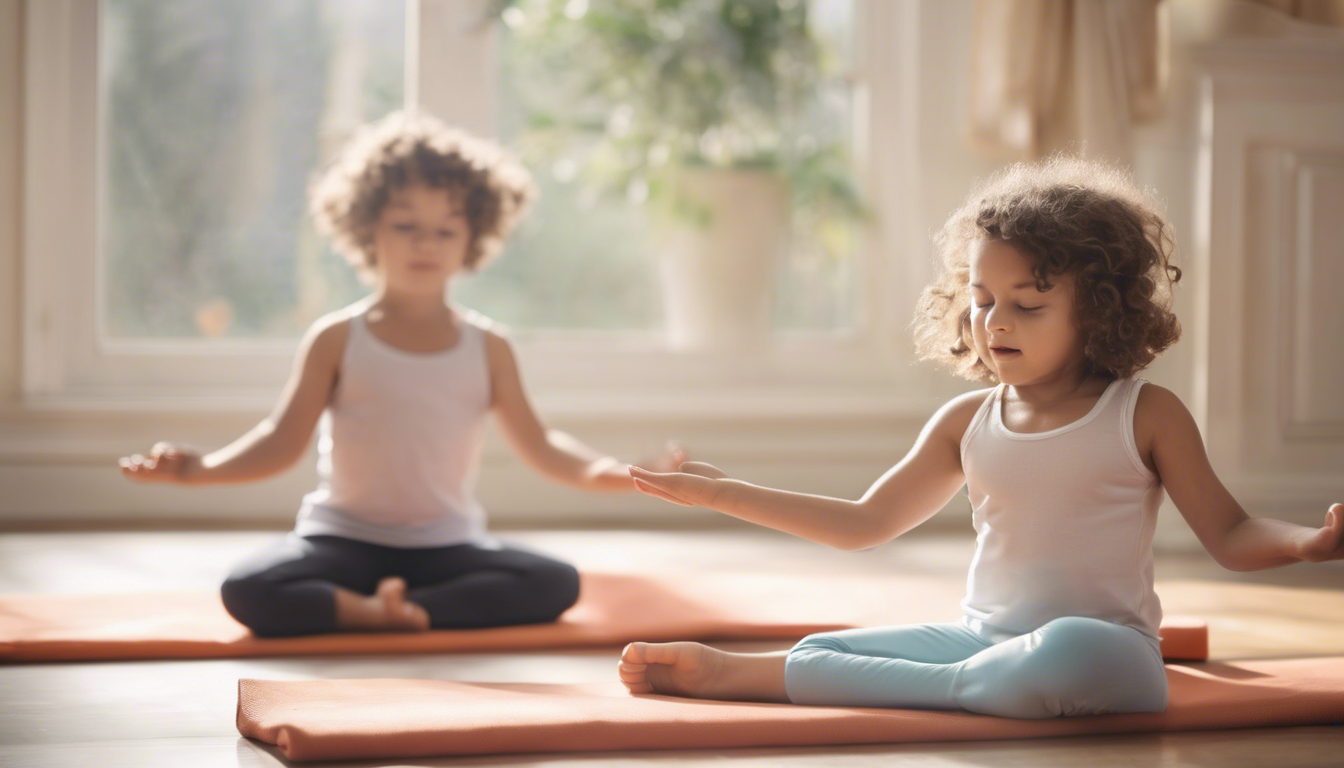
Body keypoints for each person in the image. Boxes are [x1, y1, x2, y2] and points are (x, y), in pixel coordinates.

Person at [618, 157, 1343, 719]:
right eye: (982, 300)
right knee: (824, 645)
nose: (996, 324)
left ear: (1098, 309)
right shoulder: (966, 423)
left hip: (1108, 653)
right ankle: (916, 681)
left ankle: (747, 676)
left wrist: (1306, 543)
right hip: (983, 642)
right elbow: (864, 524)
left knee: (1061, 652)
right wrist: (719, 492)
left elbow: (1232, 532)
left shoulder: (1144, 414)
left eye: (1027, 305)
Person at [120, 111, 685, 637]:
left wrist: (630, 474)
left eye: (445, 231)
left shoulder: (489, 347)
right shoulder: (337, 338)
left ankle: (408, 611)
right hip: (342, 543)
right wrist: (198, 469)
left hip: (446, 550)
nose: (425, 244)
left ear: (472, 240)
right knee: (247, 590)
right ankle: (375, 609)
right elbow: (279, 442)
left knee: (556, 582)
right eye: (405, 225)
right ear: (368, 231)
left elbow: (544, 448)